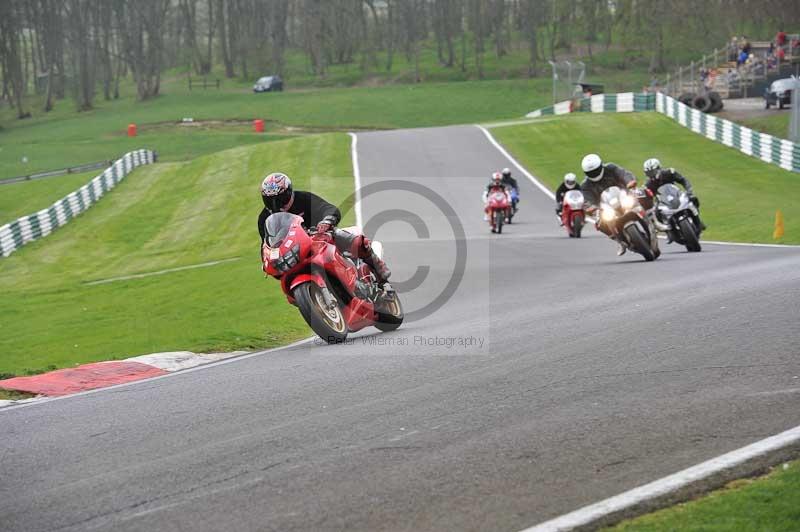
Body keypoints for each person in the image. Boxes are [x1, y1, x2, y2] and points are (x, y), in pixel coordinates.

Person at [258, 172, 391, 282]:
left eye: (281, 199)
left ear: (289, 193)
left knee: (346, 237)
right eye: (271, 201)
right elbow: (267, 243)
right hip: (294, 253)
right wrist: (267, 261)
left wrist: (326, 221)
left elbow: (327, 208)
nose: (277, 205)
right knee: (285, 280)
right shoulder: (264, 218)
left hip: (319, 238)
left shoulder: (303, 198)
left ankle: (376, 264)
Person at [579, 153, 637, 255]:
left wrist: (630, 181)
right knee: (600, 223)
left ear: (601, 165)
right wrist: (591, 208)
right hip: (606, 208)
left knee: (642, 196)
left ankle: (652, 219)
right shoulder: (585, 185)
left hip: (623, 197)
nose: (594, 173)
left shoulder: (611, 168)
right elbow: (586, 200)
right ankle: (619, 241)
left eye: (596, 170)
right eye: (591, 172)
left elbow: (623, 173)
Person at [643, 158, 706, 232]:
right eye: (649, 173)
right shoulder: (647, 184)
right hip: (662, 202)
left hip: (676, 194)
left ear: (659, 168)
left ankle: (698, 220)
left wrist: (689, 191)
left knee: (693, 199)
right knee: (656, 213)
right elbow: (646, 197)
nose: (651, 175)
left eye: (652, 172)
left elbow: (683, 180)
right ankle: (666, 229)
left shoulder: (669, 172)